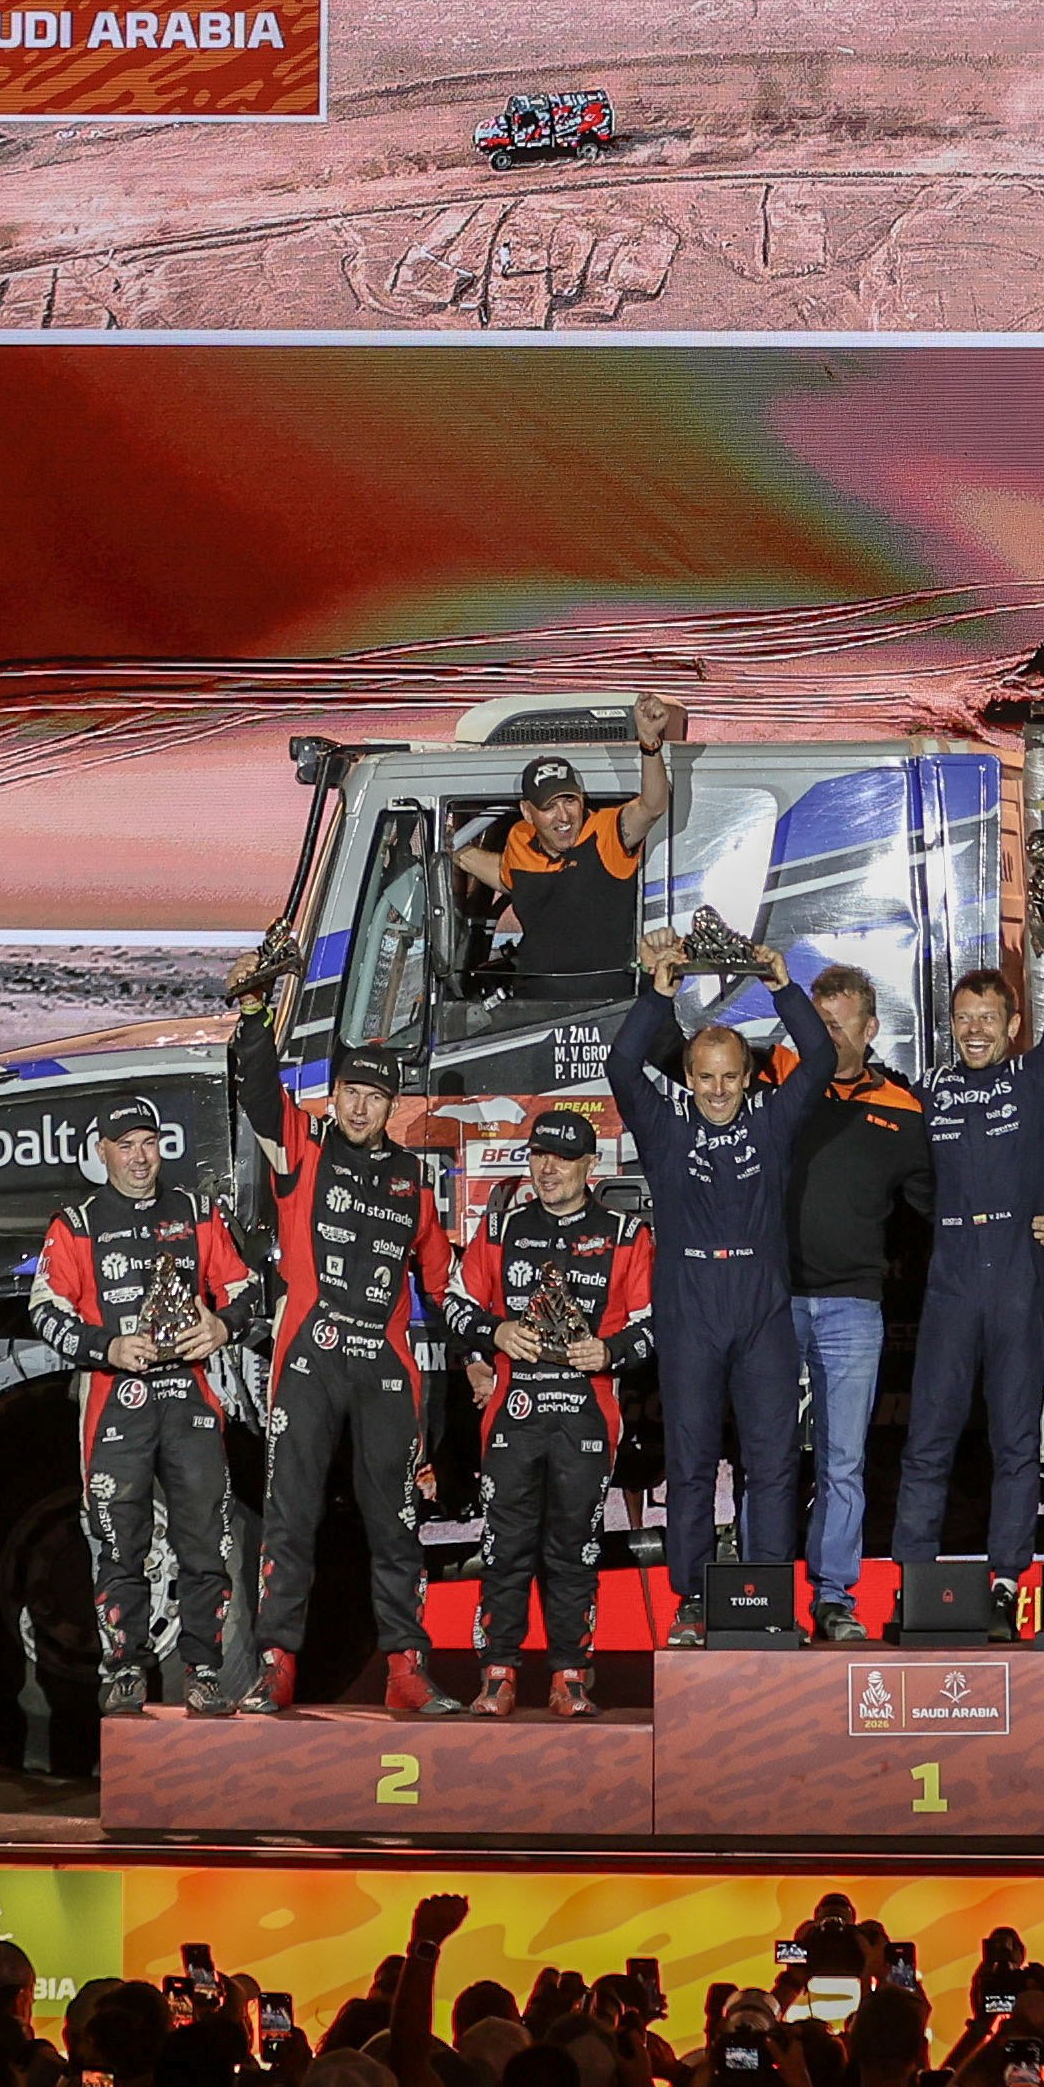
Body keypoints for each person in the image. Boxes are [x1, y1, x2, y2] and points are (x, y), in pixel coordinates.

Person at [232, 994, 464, 1716]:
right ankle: (276, 1666)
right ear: (333, 1095)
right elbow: (258, 1091)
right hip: (309, 1356)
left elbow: (441, 1282)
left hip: (383, 1367)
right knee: (291, 1515)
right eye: (350, 1093)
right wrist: (252, 1020)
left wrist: (476, 1354)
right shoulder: (302, 1148)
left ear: (392, 1104)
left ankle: (406, 1670)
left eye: (374, 1097)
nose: (360, 1107)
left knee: (395, 1523)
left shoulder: (414, 1179)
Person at [611, 930, 838, 1596]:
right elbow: (622, 1066)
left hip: (762, 1316)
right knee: (689, 1466)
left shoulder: (771, 1123)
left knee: (772, 1464)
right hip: (691, 1315)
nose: (717, 1090)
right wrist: (660, 994)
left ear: (747, 1077)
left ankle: (766, 1594)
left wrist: (781, 986)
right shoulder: (665, 1128)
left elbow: (821, 1059)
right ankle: (690, 1597)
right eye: (706, 1077)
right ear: (689, 1077)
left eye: (729, 1077)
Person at [32, 1095, 262, 1719]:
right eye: (125, 1145)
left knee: (205, 1543)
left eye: (149, 1143)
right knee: (119, 1545)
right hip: (116, 1404)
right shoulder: (77, 1223)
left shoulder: (195, 1212)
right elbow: (44, 1310)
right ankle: (125, 1670)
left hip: (190, 1400)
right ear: (102, 1152)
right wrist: (106, 1346)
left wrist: (222, 1327)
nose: (139, 1158)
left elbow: (245, 1289)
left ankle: (204, 1671)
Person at [892, 946, 1044, 1593]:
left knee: (1016, 1441)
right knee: (929, 1437)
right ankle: (914, 1579)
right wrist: (944, 1216)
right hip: (951, 1278)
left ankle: (1007, 1579)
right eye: (963, 1017)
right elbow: (902, 1173)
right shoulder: (928, 1090)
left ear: (1012, 1025)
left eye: (987, 1017)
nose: (974, 1030)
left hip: (1016, 1278)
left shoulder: (1035, 1078)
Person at [458, 1103, 652, 1710]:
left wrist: (611, 1351)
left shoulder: (625, 1234)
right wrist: (494, 1333)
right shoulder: (501, 1228)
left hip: (586, 1417)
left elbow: (657, 1323)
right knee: (505, 1548)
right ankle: (497, 1674)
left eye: (564, 1158)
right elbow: (455, 1303)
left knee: (575, 1550)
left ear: (590, 1164)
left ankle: (570, 1673)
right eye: (540, 1155)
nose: (548, 1169)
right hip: (513, 1415)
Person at [784, 967, 930, 1632]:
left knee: (843, 1461)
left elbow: (943, 1205)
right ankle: (757, 1593)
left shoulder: (902, 1108)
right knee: (766, 1455)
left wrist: (1022, 1222)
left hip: (853, 1307)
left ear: (870, 1029)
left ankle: (834, 1596)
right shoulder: (777, 1079)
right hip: (774, 1300)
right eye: (818, 1025)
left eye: (839, 1026)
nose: (827, 1037)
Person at [462, 696, 679, 992]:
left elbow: (652, 807)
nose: (564, 816)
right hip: (529, 1005)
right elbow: (506, 876)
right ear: (527, 812)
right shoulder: (519, 839)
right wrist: (453, 850)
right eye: (549, 806)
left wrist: (650, 744)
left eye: (570, 801)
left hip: (602, 1006)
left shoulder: (606, 831)